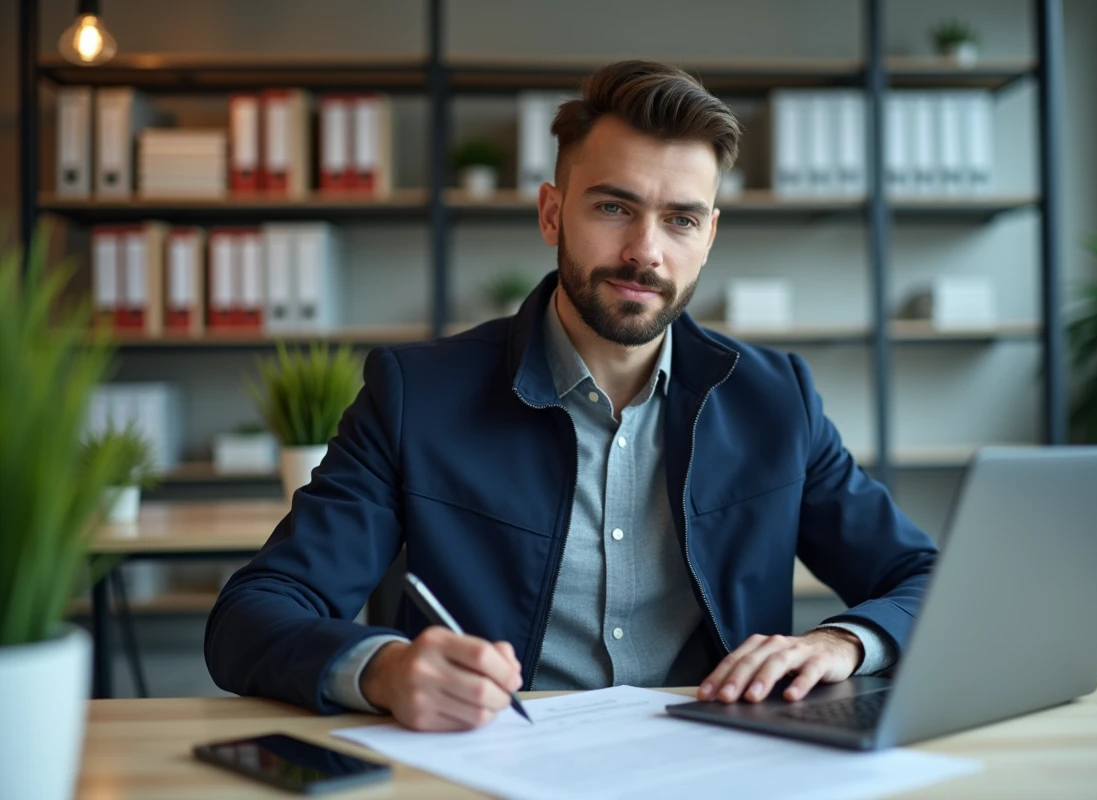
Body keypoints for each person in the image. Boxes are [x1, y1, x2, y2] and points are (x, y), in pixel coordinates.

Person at [205, 60, 938, 733]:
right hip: (494, 765)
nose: (646, 251)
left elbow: (925, 578)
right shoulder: (415, 397)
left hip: (716, 767)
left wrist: (847, 642)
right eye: (614, 209)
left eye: (680, 219)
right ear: (552, 213)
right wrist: (384, 669)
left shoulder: (776, 401)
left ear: (709, 235)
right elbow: (251, 617)